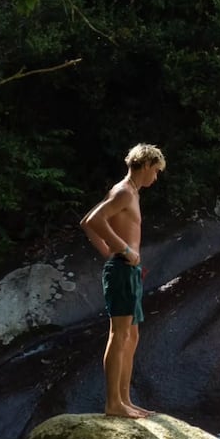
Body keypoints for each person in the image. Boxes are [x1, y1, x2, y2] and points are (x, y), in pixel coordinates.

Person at [80, 143, 166, 418]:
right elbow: (94, 219)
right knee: (119, 335)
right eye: (156, 171)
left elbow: (85, 222)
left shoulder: (131, 194)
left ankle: (125, 400)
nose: (156, 177)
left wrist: (109, 250)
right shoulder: (123, 192)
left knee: (132, 335)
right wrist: (123, 250)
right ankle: (113, 404)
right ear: (147, 165)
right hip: (121, 269)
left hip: (127, 270)